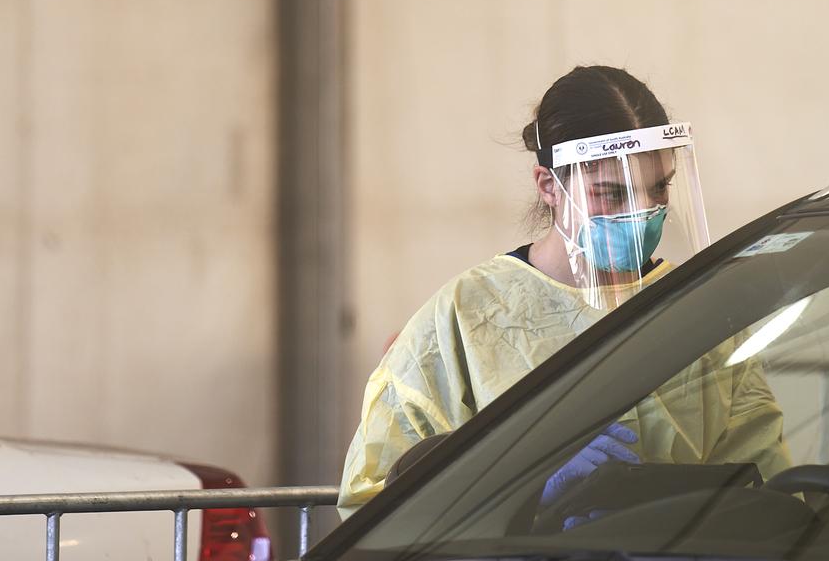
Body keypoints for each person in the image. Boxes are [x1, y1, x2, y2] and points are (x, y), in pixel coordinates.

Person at [338, 66, 790, 519]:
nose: (644, 213)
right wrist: (523, 487)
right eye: (611, 195)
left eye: (658, 189)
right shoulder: (466, 315)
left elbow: (765, 485)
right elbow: (374, 503)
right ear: (549, 186)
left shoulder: (697, 310)